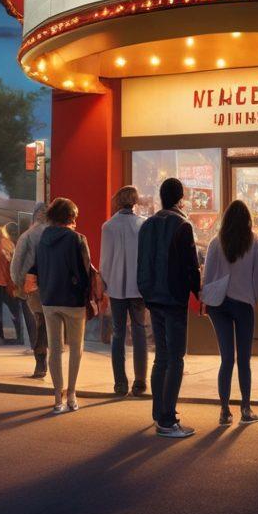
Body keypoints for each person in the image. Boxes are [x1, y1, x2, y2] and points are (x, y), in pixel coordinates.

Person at [137, 177, 201, 439]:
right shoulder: (182, 225)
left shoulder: (148, 225)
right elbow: (191, 265)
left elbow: (142, 261)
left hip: (153, 297)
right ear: (180, 198)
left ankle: (158, 412)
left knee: (161, 356)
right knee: (175, 358)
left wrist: (146, 291)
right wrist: (199, 293)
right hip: (174, 299)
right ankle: (167, 419)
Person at [202, 199, 258, 425]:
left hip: (219, 305)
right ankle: (246, 409)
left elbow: (208, 277)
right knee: (244, 359)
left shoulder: (215, 242)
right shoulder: (255, 242)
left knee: (227, 358)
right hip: (243, 304)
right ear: (248, 220)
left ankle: (223, 411)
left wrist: (207, 300)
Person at [32, 197, 91, 414]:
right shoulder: (77, 239)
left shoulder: (43, 239)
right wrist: (87, 296)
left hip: (49, 300)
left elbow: (37, 268)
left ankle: (57, 397)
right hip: (73, 301)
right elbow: (85, 272)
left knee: (54, 349)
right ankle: (72, 394)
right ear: (70, 216)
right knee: (76, 348)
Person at [99, 185, 148, 397]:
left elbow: (105, 262)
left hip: (117, 288)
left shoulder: (108, 226)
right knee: (139, 332)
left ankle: (120, 383)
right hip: (138, 289)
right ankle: (140, 382)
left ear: (117, 201)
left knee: (118, 333)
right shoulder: (143, 225)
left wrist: (107, 283)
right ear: (135, 201)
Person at [10, 204, 49, 378]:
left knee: (37, 324)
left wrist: (18, 282)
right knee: (50, 324)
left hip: (32, 286)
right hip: (54, 286)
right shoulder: (56, 232)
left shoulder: (27, 235)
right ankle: (50, 360)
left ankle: (40, 363)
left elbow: (17, 263)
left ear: (35, 216)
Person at [0, 224, 23, 343]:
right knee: (15, 309)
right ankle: (20, 334)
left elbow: (9, 268)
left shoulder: (3, 244)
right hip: (4, 282)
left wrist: (13, 286)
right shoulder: (9, 245)